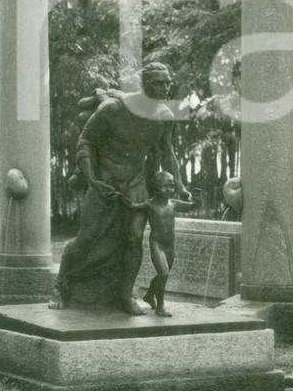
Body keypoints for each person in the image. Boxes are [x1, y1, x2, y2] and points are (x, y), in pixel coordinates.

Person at [52, 62, 191, 314]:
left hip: (136, 182)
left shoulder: (164, 117)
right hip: (105, 178)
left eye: (169, 81)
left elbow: (167, 152)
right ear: (145, 83)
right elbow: (85, 142)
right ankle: (60, 285)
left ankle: (124, 294)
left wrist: (180, 186)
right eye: (160, 82)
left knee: (133, 238)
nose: (167, 86)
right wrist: (93, 180)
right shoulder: (113, 109)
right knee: (86, 238)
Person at [116, 171, 196, 316]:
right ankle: (160, 307)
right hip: (157, 244)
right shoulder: (149, 205)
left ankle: (149, 295)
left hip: (170, 245)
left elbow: (192, 206)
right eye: (165, 186)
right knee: (163, 273)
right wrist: (121, 198)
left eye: (172, 186)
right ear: (155, 187)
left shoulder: (173, 204)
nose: (170, 190)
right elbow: (132, 206)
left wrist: (198, 199)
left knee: (162, 275)